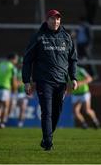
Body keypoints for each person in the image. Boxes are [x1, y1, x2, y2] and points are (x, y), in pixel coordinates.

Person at [22, 9, 78, 151]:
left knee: (56, 113)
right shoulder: (38, 37)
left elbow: (73, 60)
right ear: (47, 20)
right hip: (43, 81)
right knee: (46, 112)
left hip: (61, 82)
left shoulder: (66, 37)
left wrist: (74, 78)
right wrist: (26, 81)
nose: (56, 21)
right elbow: (27, 60)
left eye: (58, 19)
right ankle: (48, 142)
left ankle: (46, 137)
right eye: (53, 19)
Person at [0, 53, 18, 128]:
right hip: (5, 88)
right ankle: (3, 122)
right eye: (16, 59)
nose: (16, 61)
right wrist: (15, 89)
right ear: (12, 59)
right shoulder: (12, 67)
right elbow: (13, 80)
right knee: (6, 106)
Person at [17, 57, 29, 127]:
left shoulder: (26, 72)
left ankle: (20, 123)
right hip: (15, 93)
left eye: (22, 63)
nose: (21, 64)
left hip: (23, 93)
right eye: (20, 63)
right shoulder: (16, 71)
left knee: (23, 108)